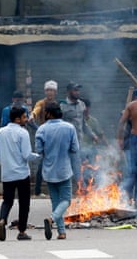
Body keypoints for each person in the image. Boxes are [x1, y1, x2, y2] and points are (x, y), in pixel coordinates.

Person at [0, 106, 40, 241]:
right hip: (22, 174)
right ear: (17, 119)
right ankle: (22, 231)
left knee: (7, 201)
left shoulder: (1, 132)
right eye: (25, 117)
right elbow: (26, 155)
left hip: (7, 174)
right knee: (24, 203)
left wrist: (6, 163)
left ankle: (2, 219)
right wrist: (38, 156)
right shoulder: (23, 133)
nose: (27, 119)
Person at [35, 102, 79, 240]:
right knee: (66, 200)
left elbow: (39, 151)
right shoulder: (69, 128)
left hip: (48, 171)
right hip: (64, 170)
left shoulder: (41, 129)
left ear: (48, 113)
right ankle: (52, 219)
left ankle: (62, 232)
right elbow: (75, 149)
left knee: (55, 202)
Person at [60, 82, 98, 191]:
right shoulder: (62, 106)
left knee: (81, 167)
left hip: (79, 143)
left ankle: (82, 190)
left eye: (78, 90)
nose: (77, 92)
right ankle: (69, 190)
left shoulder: (82, 104)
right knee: (67, 168)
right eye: (75, 90)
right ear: (68, 92)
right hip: (66, 144)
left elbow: (83, 124)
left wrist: (93, 135)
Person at [30, 80, 59, 197]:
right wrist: (33, 115)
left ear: (55, 92)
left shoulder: (57, 105)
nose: (49, 92)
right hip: (45, 137)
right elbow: (36, 110)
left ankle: (55, 188)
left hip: (55, 136)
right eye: (47, 90)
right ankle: (37, 190)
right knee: (42, 162)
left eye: (51, 90)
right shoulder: (41, 103)